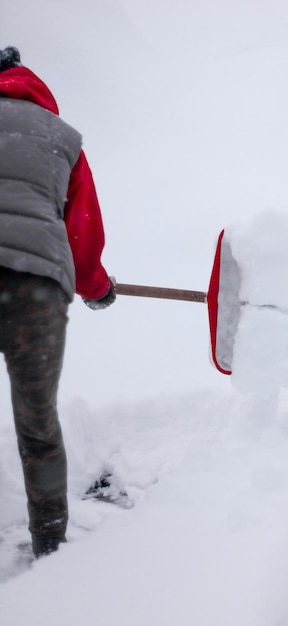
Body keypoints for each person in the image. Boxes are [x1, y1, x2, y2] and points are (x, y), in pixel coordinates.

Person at [0, 46, 116, 558]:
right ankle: (49, 546)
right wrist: (96, 287)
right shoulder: (61, 137)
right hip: (37, 289)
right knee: (37, 423)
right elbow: (81, 229)